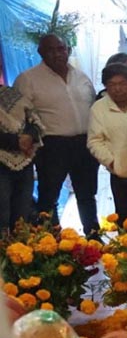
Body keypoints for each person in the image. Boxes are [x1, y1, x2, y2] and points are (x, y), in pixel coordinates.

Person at [14, 34, 99, 236]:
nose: (56, 54)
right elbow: (21, 117)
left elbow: (94, 105)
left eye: (60, 49)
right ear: (41, 52)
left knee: (87, 194)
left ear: (68, 50)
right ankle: (51, 242)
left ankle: (93, 236)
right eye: (50, 50)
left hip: (83, 144)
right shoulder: (27, 79)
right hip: (52, 145)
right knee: (49, 196)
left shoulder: (81, 76)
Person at [87, 63, 127, 220]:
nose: (117, 89)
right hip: (119, 171)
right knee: (125, 219)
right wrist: (112, 162)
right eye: (112, 84)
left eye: (122, 83)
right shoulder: (98, 108)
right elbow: (94, 141)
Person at [0, 83, 42, 231]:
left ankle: (20, 252)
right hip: (2, 163)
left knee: (22, 216)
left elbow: (34, 121)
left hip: (24, 161)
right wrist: (16, 142)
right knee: (2, 216)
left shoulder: (14, 94)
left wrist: (30, 136)